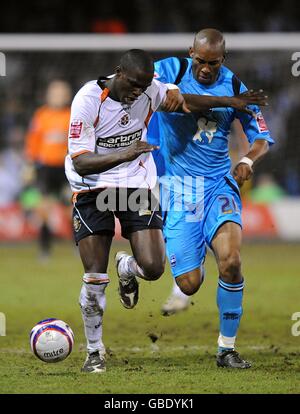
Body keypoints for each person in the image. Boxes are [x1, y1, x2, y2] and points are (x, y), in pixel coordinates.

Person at [65, 48, 268, 373]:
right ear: (119, 73)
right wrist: (126, 153)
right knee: (94, 277)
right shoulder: (88, 99)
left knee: (155, 267)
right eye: (133, 84)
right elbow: (80, 161)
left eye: (143, 86)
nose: (137, 92)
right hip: (93, 188)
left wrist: (232, 103)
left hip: (136, 185)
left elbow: (188, 101)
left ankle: (128, 268)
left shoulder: (149, 90)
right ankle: (94, 352)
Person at [147, 29, 274, 369]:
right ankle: (137, 264)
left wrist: (247, 159)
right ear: (191, 53)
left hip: (220, 184)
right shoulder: (170, 70)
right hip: (179, 187)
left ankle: (226, 349)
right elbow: (177, 99)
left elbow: (261, 136)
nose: (205, 68)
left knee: (231, 261)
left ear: (223, 59)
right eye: (200, 61)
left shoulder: (235, 85)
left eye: (213, 63)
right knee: (188, 285)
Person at [24, 80, 72, 260]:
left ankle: (78, 243)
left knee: (72, 207)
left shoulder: (71, 115)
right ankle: (45, 247)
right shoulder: (41, 115)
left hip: (66, 167)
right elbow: (32, 142)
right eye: (55, 93)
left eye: (61, 93)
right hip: (45, 167)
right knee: (44, 208)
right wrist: (29, 164)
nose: (58, 96)